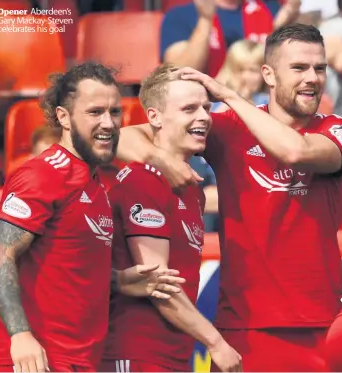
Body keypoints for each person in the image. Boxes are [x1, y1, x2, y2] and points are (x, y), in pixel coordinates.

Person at [117, 24, 342, 372]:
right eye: (298, 68)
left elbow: (295, 151)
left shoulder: (334, 129)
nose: (311, 78)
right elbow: (117, 139)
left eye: (319, 68)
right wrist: (161, 160)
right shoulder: (227, 130)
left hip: (324, 323)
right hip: (245, 326)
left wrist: (232, 97)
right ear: (268, 74)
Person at [0, 62, 185, 373]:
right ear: (63, 118)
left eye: (114, 112)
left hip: (81, 362)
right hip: (37, 361)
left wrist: (118, 280)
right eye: (95, 112)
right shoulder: (41, 175)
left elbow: (64, 264)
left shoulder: (96, 184)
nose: (108, 123)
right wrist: (20, 335)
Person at [99, 64, 242, 373]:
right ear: (154, 116)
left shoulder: (191, 189)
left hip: (169, 355)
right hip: (135, 354)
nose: (204, 116)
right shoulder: (145, 181)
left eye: (205, 108)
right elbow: (158, 282)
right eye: (189, 108)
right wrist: (215, 342)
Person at [160, 0, 300, 78]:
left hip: (260, 100)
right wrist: (205, 20)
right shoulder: (181, 15)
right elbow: (178, 73)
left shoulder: (269, 9)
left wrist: (279, 29)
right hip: (208, 103)